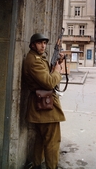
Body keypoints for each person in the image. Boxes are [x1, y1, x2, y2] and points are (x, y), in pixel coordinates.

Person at [23, 33, 65, 169]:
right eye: (40, 43)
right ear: (33, 45)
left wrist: (57, 64)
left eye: (45, 43)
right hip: (45, 106)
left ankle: (36, 165)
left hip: (41, 104)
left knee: (41, 140)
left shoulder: (37, 58)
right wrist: (58, 71)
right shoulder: (34, 60)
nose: (43, 45)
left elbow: (46, 74)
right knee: (53, 141)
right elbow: (49, 82)